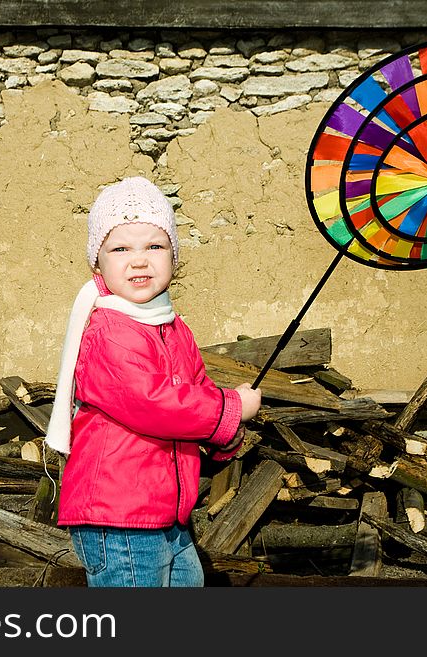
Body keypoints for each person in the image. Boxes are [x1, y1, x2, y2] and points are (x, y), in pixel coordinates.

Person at [44, 176, 262, 587]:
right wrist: (232, 408)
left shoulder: (173, 327)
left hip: (166, 512)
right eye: (121, 248)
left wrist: (224, 436)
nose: (139, 260)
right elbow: (155, 403)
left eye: (155, 246)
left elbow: (195, 393)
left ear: (174, 259)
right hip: (119, 514)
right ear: (98, 264)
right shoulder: (109, 330)